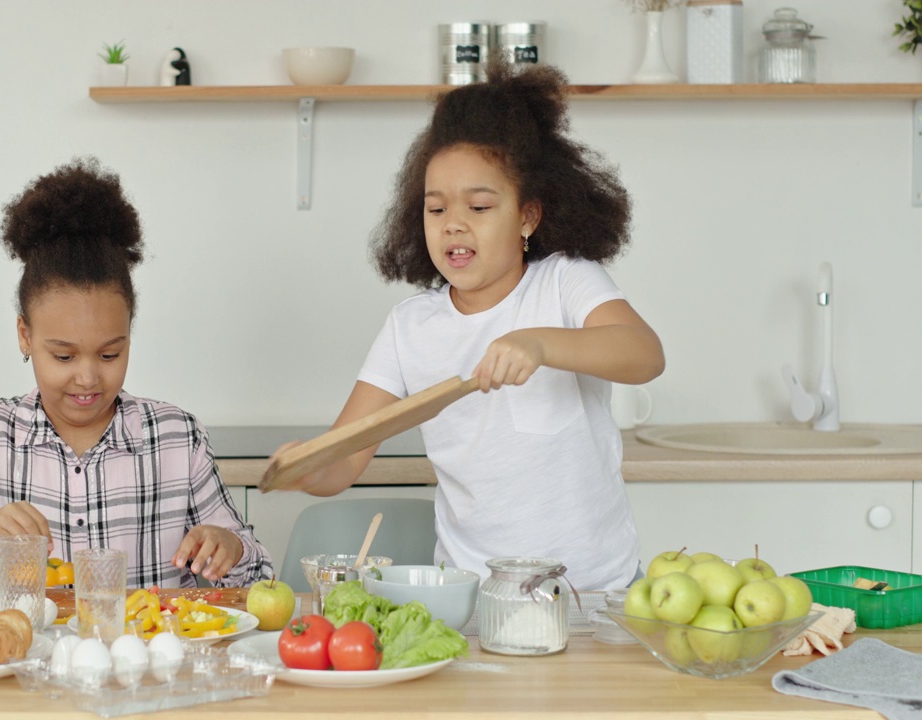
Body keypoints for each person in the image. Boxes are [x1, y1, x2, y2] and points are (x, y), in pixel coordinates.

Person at [270, 56, 665, 591]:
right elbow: (347, 455)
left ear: (527, 216)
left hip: (595, 591)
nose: (453, 223)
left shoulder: (565, 282)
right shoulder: (410, 327)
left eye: (479, 207)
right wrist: (306, 468)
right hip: (474, 597)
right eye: (436, 210)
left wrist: (541, 344)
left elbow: (643, 354)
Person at [0, 158, 272, 593]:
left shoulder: (176, 438)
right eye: (63, 357)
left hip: (144, 660)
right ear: (25, 336)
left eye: (109, 354)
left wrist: (230, 547)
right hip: (21, 659)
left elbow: (260, 580)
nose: (88, 378)